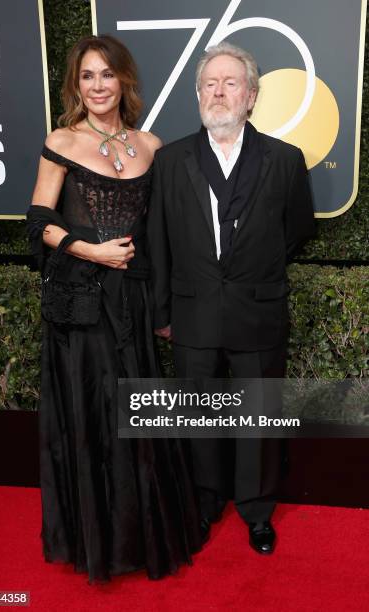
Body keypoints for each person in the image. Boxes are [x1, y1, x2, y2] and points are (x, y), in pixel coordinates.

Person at [26, 34, 203, 583]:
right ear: (75, 85)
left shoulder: (151, 144)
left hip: (135, 298)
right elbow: (36, 221)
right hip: (82, 300)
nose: (98, 85)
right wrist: (89, 249)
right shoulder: (62, 140)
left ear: (124, 80)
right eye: (87, 76)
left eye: (106, 74)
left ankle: (143, 532)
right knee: (97, 411)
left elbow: (162, 232)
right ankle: (100, 537)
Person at [147, 42, 315, 555]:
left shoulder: (285, 160)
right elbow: (158, 240)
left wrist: (250, 274)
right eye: (209, 84)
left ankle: (257, 511)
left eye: (230, 83)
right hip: (192, 311)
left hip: (258, 309)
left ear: (251, 96)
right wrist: (163, 311)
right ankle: (204, 501)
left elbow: (297, 231)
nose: (219, 92)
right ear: (198, 94)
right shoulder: (171, 160)